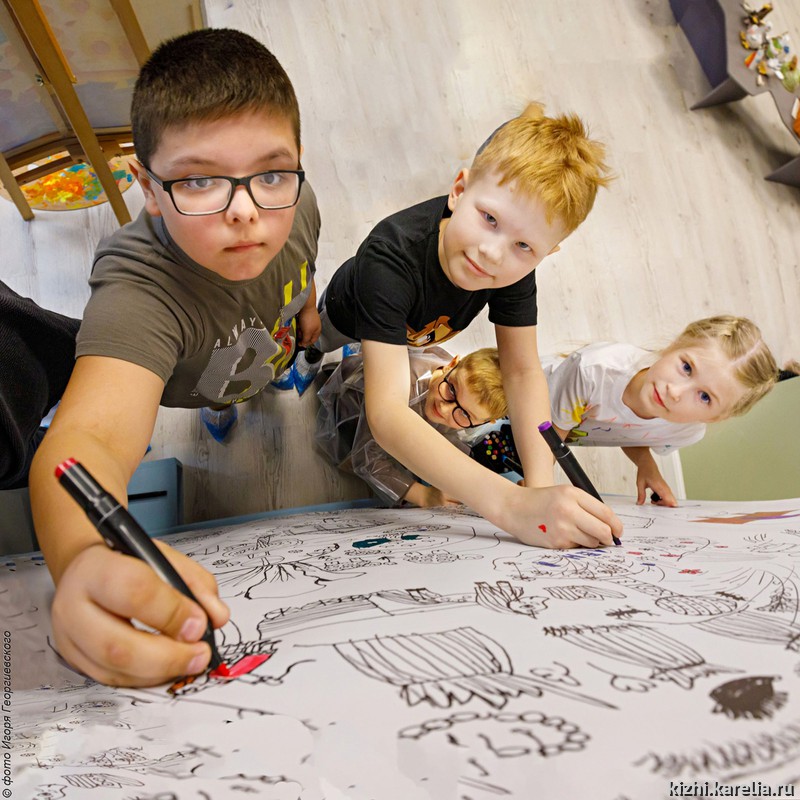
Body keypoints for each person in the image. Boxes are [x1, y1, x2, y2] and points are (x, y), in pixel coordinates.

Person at [29, 29, 321, 687]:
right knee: (219, 396)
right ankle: (222, 409)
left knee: (262, 373)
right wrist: (81, 558)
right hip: (199, 383)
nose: (246, 212)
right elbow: (90, 437)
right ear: (149, 188)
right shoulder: (137, 290)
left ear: (296, 164)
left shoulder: (298, 204)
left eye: (271, 174)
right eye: (198, 181)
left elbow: (304, 261)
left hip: (272, 349)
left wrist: (307, 306)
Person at [294, 102, 623, 551]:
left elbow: (523, 371)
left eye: (524, 246)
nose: (493, 253)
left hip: (412, 334)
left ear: (548, 253)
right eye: (489, 219)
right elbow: (386, 415)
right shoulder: (390, 257)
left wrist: (539, 486)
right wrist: (511, 505)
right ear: (459, 190)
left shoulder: (513, 271)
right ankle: (308, 358)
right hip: (349, 312)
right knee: (319, 340)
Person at [541, 315, 788, 506]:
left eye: (704, 397)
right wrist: (539, 491)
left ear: (714, 418)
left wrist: (646, 464)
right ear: (675, 345)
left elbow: (631, 429)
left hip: (540, 443)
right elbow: (549, 434)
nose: (676, 392)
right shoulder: (594, 370)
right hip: (524, 409)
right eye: (687, 368)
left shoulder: (685, 431)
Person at [316, 346, 506, 507]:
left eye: (464, 414)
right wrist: (423, 495)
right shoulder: (406, 389)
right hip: (352, 410)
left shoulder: (451, 380)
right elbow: (366, 458)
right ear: (452, 364)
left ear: (486, 422)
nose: (444, 409)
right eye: (451, 390)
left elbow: (447, 435)